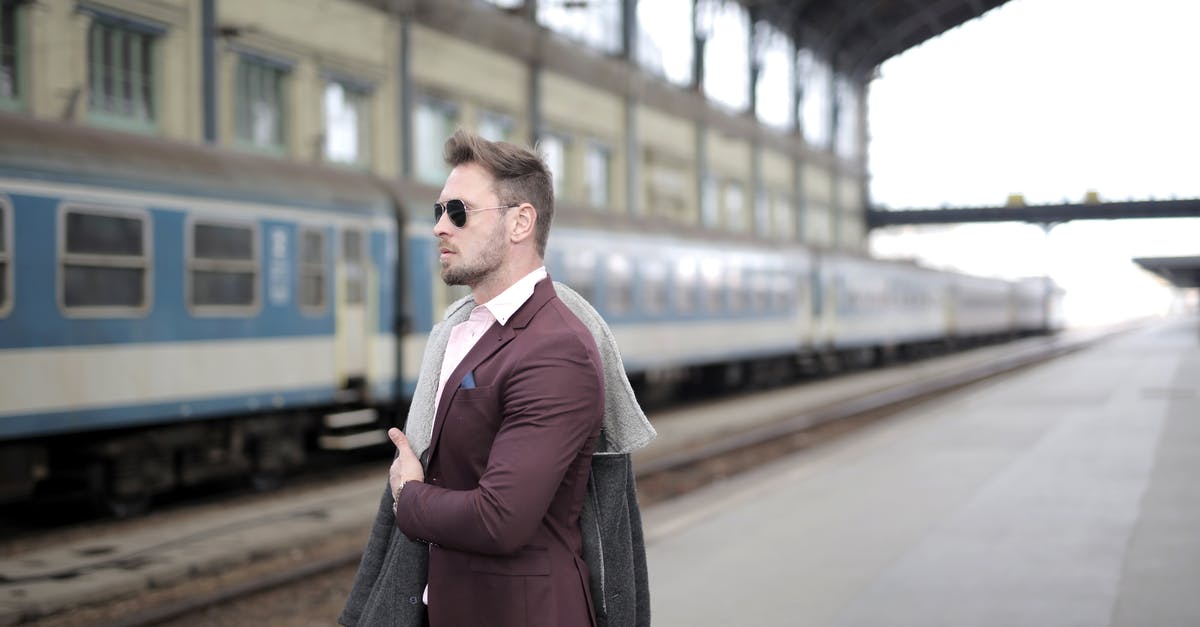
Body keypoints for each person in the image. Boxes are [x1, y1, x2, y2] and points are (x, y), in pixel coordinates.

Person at [340, 130, 654, 627]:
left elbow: (500, 519)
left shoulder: (557, 349)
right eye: (438, 212)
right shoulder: (456, 333)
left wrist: (410, 496)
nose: (441, 227)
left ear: (520, 222)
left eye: (459, 212)